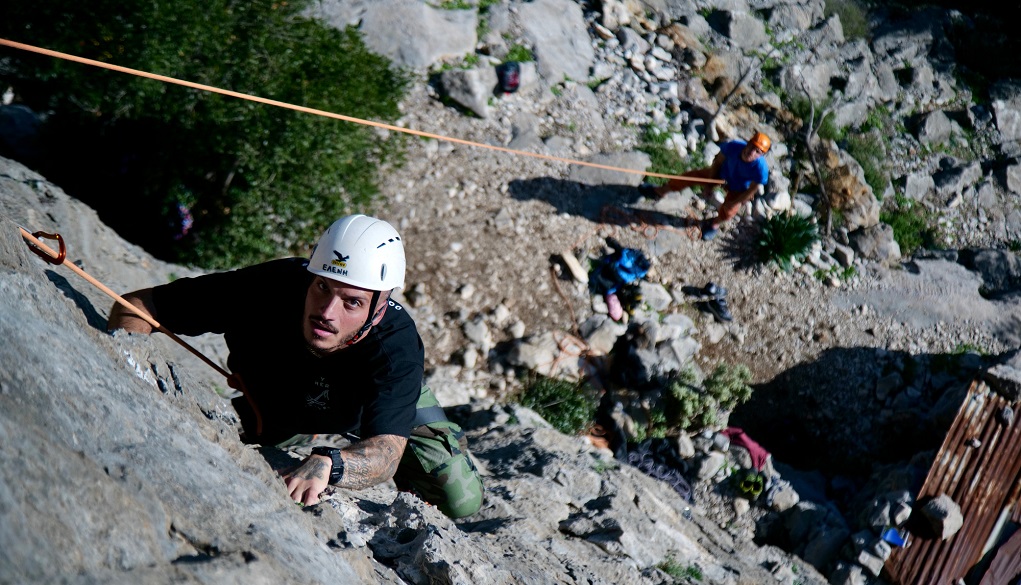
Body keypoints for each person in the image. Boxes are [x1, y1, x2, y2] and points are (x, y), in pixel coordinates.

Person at [107, 214, 484, 518]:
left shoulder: (396, 347)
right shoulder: (270, 287)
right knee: (252, 434)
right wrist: (126, 368)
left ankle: (380, 435)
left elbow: (385, 454)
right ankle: (298, 430)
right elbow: (136, 306)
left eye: (351, 302)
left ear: (378, 308)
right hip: (284, 401)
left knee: (458, 497)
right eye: (321, 287)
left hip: (371, 402)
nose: (327, 312)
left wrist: (332, 464)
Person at [649, 131, 771, 241]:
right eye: (752, 146)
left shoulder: (761, 169)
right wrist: (709, 183)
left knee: (730, 210)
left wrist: (736, 202)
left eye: (757, 151)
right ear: (748, 143)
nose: (752, 152)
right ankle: (661, 190)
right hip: (722, 173)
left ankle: (715, 224)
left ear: (761, 155)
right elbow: (717, 162)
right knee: (691, 176)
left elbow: (752, 190)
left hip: (739, 186)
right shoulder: (734, 146)